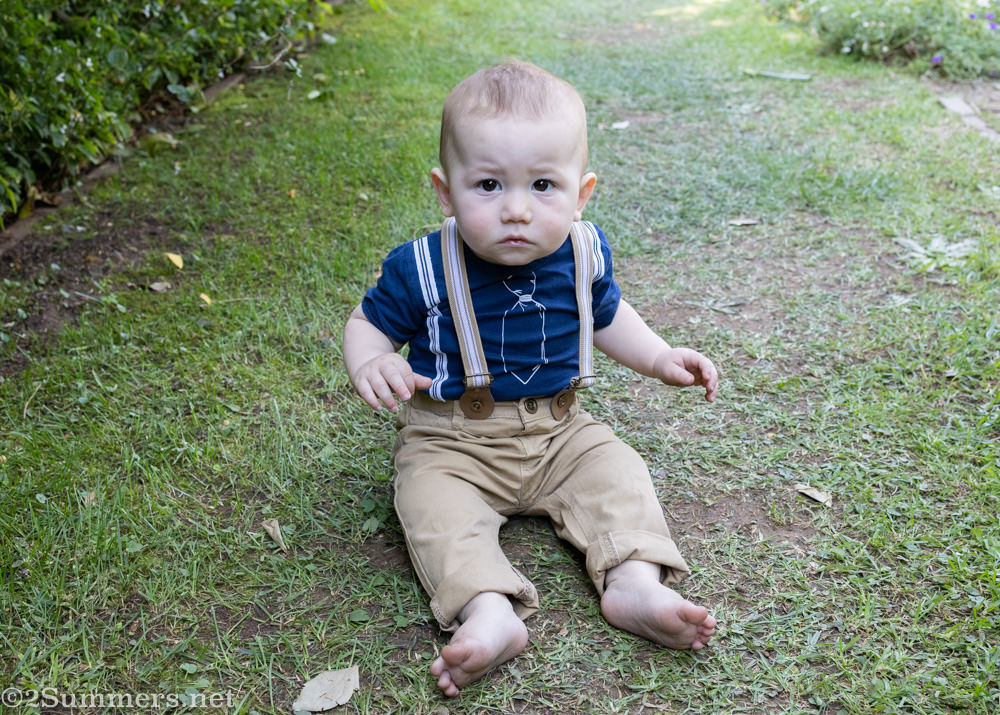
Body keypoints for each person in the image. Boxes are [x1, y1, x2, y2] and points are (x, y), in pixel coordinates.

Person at [342, 60, 719, 698]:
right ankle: (487, 607)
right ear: (445, 190)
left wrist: (659, 357)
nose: (516, 210)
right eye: (488, 185)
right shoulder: (422, 266)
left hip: (560, 429)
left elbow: (607, 316)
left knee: (618, 471)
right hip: (451, 441)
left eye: (543, 184)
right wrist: (372, 359)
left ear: (581, 193)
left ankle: (633, 582)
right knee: (432, 507)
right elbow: (367, 322)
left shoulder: (581, 251)